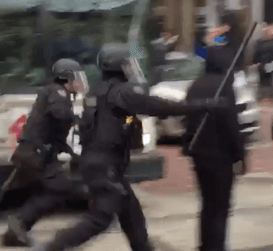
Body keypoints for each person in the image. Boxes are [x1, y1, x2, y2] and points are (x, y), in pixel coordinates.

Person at [32, 43, 227, 251]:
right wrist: (205, 105)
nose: (130, 67)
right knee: (101, 218)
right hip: (105, 166)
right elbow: (158, 106)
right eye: (127, 63)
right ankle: (53, 247)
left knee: (132, 216)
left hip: (100, 165)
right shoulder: (121, 92)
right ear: (118, 66)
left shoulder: (97, 91)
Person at [1, 58, 87, 248]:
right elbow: (60, 114)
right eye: (77, 78)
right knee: (60, 188)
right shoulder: (57, 93)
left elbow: (55, 132)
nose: (80, 82)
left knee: (49, 191)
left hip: (36, 153)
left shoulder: (54, 93)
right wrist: (81, 120)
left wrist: (73, 153)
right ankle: (18, 225)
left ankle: (15, 232)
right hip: (35, 154)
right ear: (66, 79)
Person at [183, 43, 245, 251]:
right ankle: (216, 246)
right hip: (221, 156)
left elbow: (189, 119)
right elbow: (231, 124)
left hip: (199, 155)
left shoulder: (195, 85)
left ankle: (204, 245)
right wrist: (240, 155)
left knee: (207, 204)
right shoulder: (224, 87)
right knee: (220, 207)